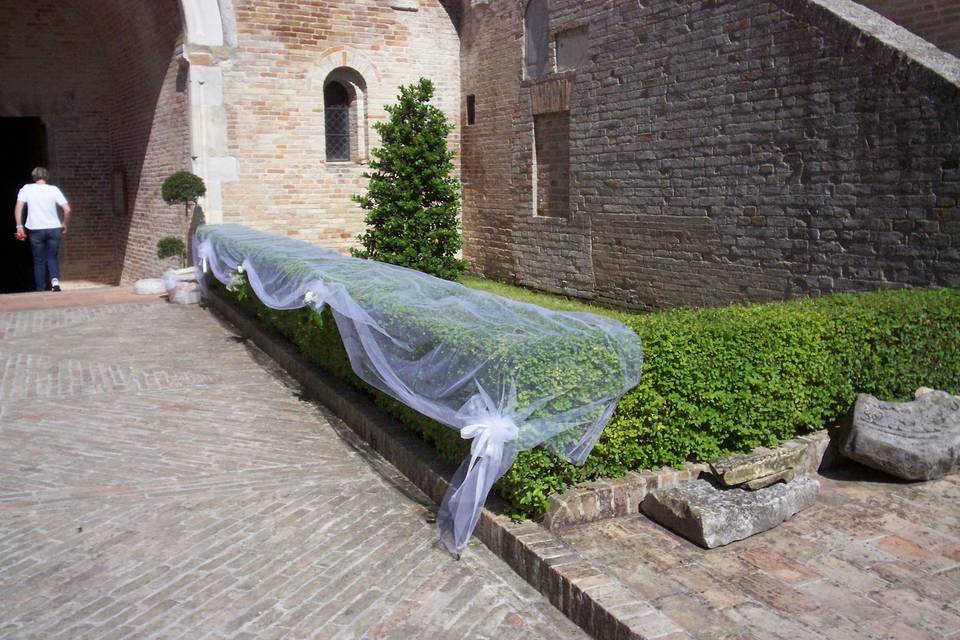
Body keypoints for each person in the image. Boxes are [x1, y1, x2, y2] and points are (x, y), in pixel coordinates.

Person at [13, 167, 71, 292]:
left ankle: (41, 288)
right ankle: (55, 281)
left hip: (35, 229)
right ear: (46, 177)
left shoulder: (27, 189)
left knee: (39, 260)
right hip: (54, 228)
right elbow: (67, 209)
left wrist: (19, 226)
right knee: (52, 256)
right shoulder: (54, 190)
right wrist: (64, 223)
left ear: (34, 177)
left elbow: (18, 208)